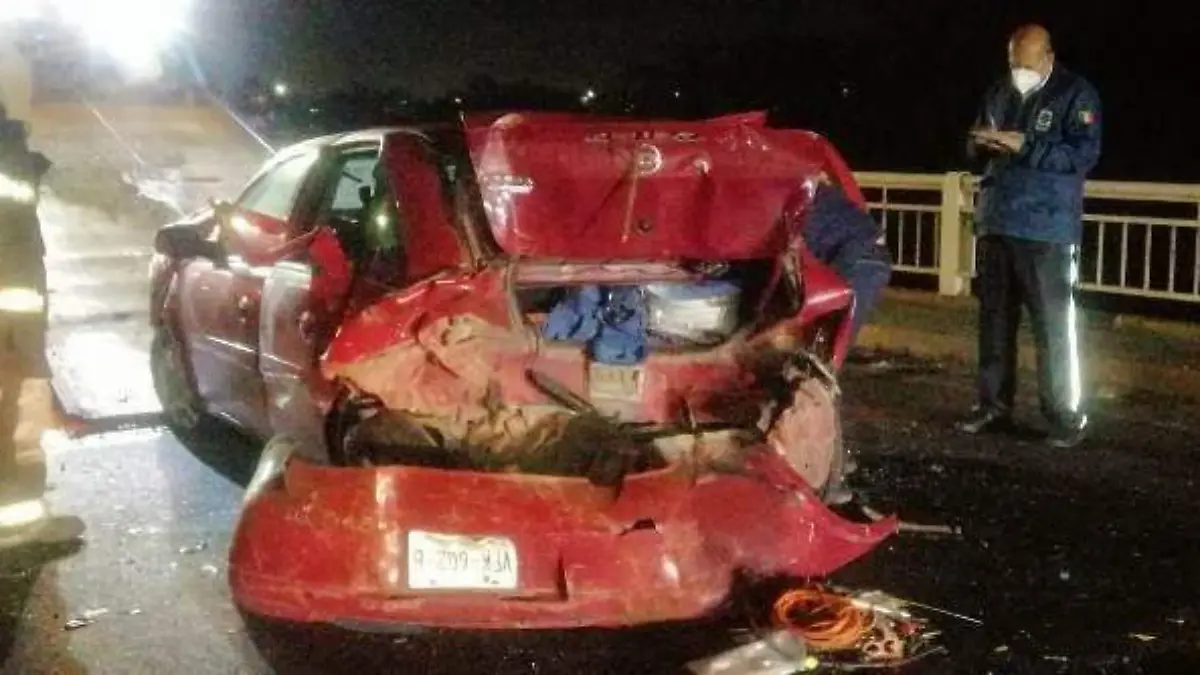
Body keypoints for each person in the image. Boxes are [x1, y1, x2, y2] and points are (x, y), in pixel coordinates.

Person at [959, 24, 1101, 448]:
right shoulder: (999, 92)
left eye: (1026, 64)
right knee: (995, 323)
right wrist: (981, 144)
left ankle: (1064, 416)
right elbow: (973, 142)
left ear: (1048, 57)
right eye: (1013, 63)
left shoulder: (1076, 94)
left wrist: (1026, 146)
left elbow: (1083, 154)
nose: (1018, 71)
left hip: (1047, 230)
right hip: (999, 221)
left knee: (1054, 329)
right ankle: (993, 407)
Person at [804, 174, 893, 348]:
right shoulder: (828, 197)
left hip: (857, 259)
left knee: (830, 340)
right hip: (874, 258)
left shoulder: (803, 203)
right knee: (835, 339)